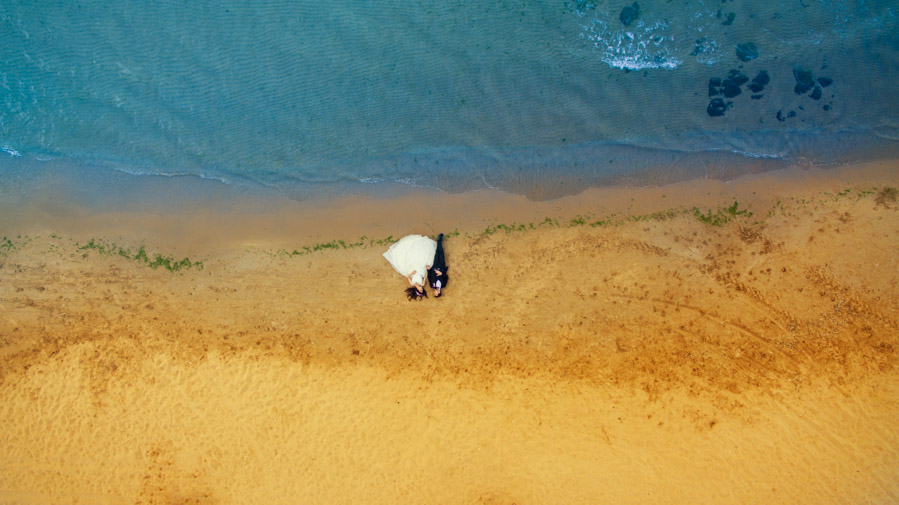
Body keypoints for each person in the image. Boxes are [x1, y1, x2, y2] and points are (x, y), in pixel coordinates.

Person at [382, 234, 437, 301]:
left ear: (417, 290)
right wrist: (426, 270)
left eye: (420, 290)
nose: (421, 289)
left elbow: (408, 276)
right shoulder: (422, 284)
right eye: (422, 290)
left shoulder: (412, 283)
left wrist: (412, 273)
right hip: (421, 271)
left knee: (411, 258)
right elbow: (425, 276)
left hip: (413, 271)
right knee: (422, 258)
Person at [427, 233, 449, 297]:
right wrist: (441, 274)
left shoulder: (432, 285)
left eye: (434, 293)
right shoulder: (443, 285)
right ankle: (439, 241)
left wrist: (428, 270)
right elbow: (446, 277)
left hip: (435, 266)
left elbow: (429, 277)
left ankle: (439, 241)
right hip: (442, 267)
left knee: (437, 254)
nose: (434, 292)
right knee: (441, 253)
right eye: (435, 293)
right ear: (439, 292)